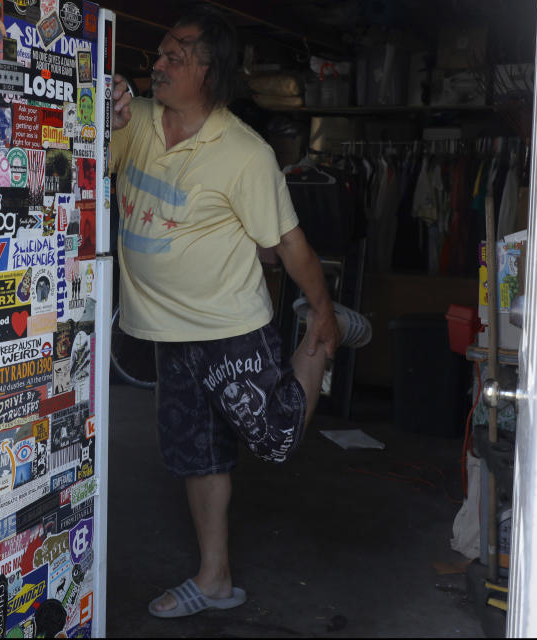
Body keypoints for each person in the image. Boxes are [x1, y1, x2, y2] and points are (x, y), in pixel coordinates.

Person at [109, 4, 371, 619]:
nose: (162, 62)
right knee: (196, 456)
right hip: (167, 333)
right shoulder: (137, 122)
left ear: (211, 72)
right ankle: (215, 578)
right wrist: (110, 94)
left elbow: (290, 243)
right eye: (163, 51)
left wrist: (326, 310)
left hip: (230, 329)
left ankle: (318, 332)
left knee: (277, 438)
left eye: (177, 54)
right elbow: (94, 126)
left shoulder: (245, 154)